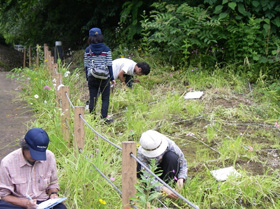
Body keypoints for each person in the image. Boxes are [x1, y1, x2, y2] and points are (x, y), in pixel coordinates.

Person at [0, 128, 66, 209]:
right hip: (18, 203)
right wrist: (26, 204)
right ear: (24, 145)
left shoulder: (49, 157)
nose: (36, 158)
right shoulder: (8, 162)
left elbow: (53, 183)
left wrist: (53, 194)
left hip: (42, 201)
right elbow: (4, 196)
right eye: (33, 153)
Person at [137, 130, 188, 199]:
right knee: (139, 167)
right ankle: (152, 192)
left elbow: (182, 161)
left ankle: (170, 186)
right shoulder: (141, 153)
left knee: (172, 157)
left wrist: (181, 178)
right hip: (152, 172)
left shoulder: (170, 144)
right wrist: (161, 188)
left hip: (166, 168)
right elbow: (147, 175)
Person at [84, 27, 115, 123]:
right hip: (104, 77)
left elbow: (86, 65)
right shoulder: (106, 49)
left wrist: (87, 78)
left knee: (93, 97)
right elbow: (109, 64)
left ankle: (92, 118)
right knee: (105, 98)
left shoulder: (88, 50)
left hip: (92, 77)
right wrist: (112, 78)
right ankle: (104, 118)